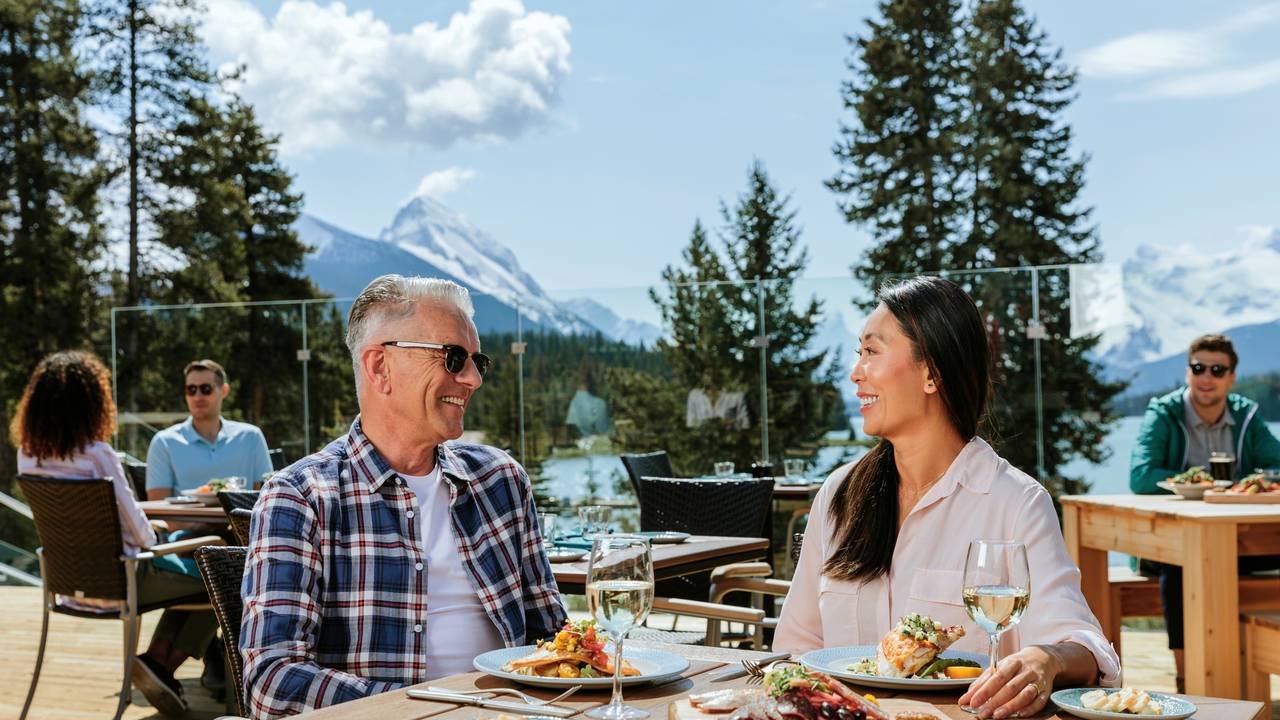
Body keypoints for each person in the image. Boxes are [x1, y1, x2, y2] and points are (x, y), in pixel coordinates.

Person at [775, 277, 1119, 720]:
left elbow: (1081, 645)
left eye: (872, 351)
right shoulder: (840, 495)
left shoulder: (1016, 504)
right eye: (858, 353)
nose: (856, 372)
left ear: (932, 373)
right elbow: (796, 646)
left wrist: (1047, 660)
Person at [240, 275, 566, 717]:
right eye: (453, 358)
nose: (472, 379)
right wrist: (436, 709)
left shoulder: (500, 480)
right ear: (380, 367)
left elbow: (553, 638)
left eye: (478, 361)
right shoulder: (301, 498)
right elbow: (272, 682)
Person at [12, 351, 218, 717]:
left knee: (196, 574)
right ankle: (163, 664)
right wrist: (158, 534)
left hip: (69, 586)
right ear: (92, 404)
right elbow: (142, 536)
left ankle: (158, 663)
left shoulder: (27, 455)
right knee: (221, 577)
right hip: (126, 581)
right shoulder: (99, 454)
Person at [1128, 333, 1280, 691]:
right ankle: (1186, 678)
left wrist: (1242, 485)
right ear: (1187, 372)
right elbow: (1141, 476)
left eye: (1217, 370)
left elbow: (1276, 467)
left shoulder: (1246, 415)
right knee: (1182, 564)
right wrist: (1203, 484)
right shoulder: (1164, 413)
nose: (1206, 377)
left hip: (1239, 541)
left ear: (1231, 378)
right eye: (1198, 368)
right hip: (1169, 544)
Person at [145, 359, 272, 498]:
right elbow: (158, 506)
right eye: (191, 389)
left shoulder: (251, 437)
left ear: (224, 391)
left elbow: (267, 499)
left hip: (240, 514)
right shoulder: (163, 443)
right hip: (185, 514)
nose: (197, 396)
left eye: (206, 389)